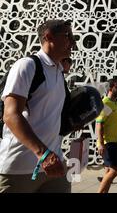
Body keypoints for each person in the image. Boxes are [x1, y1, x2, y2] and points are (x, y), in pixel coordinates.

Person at [0, 19, 75, 193]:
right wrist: (43, 153)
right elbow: (11, 115)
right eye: (67, 36)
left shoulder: (58, 71)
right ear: (49, 36)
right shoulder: (27, 65)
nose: (72, 42)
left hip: (54, 165)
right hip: (19, 167)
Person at [96, 78, 117, 193]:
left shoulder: (115, 103)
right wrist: (100, 144)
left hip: (115, 141)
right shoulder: (106, 102)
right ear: (111, 88)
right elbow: (99, 124)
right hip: (108, 142)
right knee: (114, 170)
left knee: (109, 171)